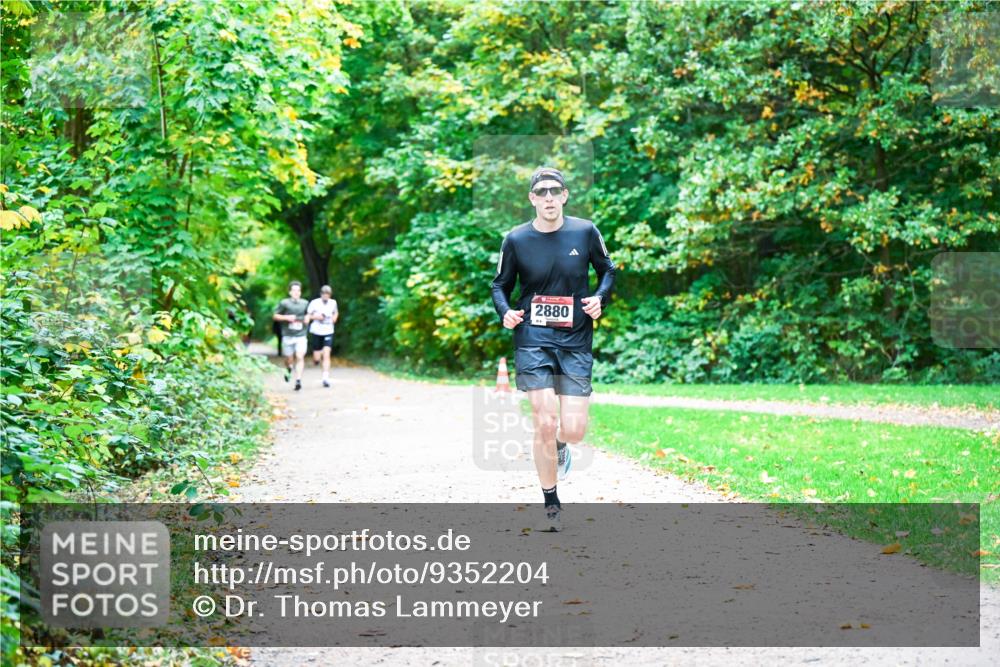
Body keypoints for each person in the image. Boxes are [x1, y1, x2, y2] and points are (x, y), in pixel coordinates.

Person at [490, 167, 616, 532]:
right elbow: (499, 285)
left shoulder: (585, 231)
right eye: (541, 191)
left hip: (575, 339)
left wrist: (599, 298)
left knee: (573, 429)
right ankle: (551, 502)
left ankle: (562, 445)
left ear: (564, 196)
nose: (548, 197)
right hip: (533, 337)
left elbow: (608, 270)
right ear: (532, 198)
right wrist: (506, 312)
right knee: (544, 421)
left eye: (554, 190)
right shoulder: (516, 239)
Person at [273, 281, 310, 391]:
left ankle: (298, 380)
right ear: (290, 292)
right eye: (294, 290)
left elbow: (309, 314)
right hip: (288, 335)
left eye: (298, 290)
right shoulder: (284, 303)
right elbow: (275, 316)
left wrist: (308, 318)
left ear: (300, 292)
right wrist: (286, 318)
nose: (296, 292)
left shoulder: (305, 303)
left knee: (299, 356)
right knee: (289, 359)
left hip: (301, 335)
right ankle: (288, 368)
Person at [307, 284, 339, 387]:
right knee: (317, 358)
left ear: (330, 295)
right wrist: (316, 317)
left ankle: (325, 378)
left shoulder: (333, 303)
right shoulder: (314, 303)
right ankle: (316, 359)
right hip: (317, 331)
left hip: (328, 330)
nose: (326, 296)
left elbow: (335, 312)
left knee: (326, 353)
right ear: (321, 294)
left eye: (327, 294)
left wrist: (334, 318)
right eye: (324, 294)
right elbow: (308, 316)